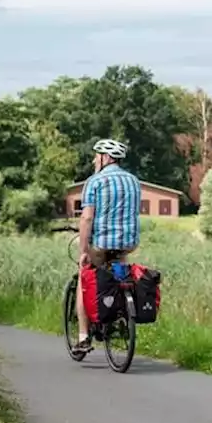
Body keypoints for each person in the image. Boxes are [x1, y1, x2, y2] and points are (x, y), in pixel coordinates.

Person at [72, 138, 141, 359]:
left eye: (97, 155)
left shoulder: (94, 181)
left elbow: (87, 218)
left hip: (102, 244)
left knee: (85, 278)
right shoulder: (133, 181)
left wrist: (84, 250)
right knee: (118, 278)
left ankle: (83, 337)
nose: (94, 159)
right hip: (128, 243)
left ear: (106, 157)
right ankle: (119, 316)